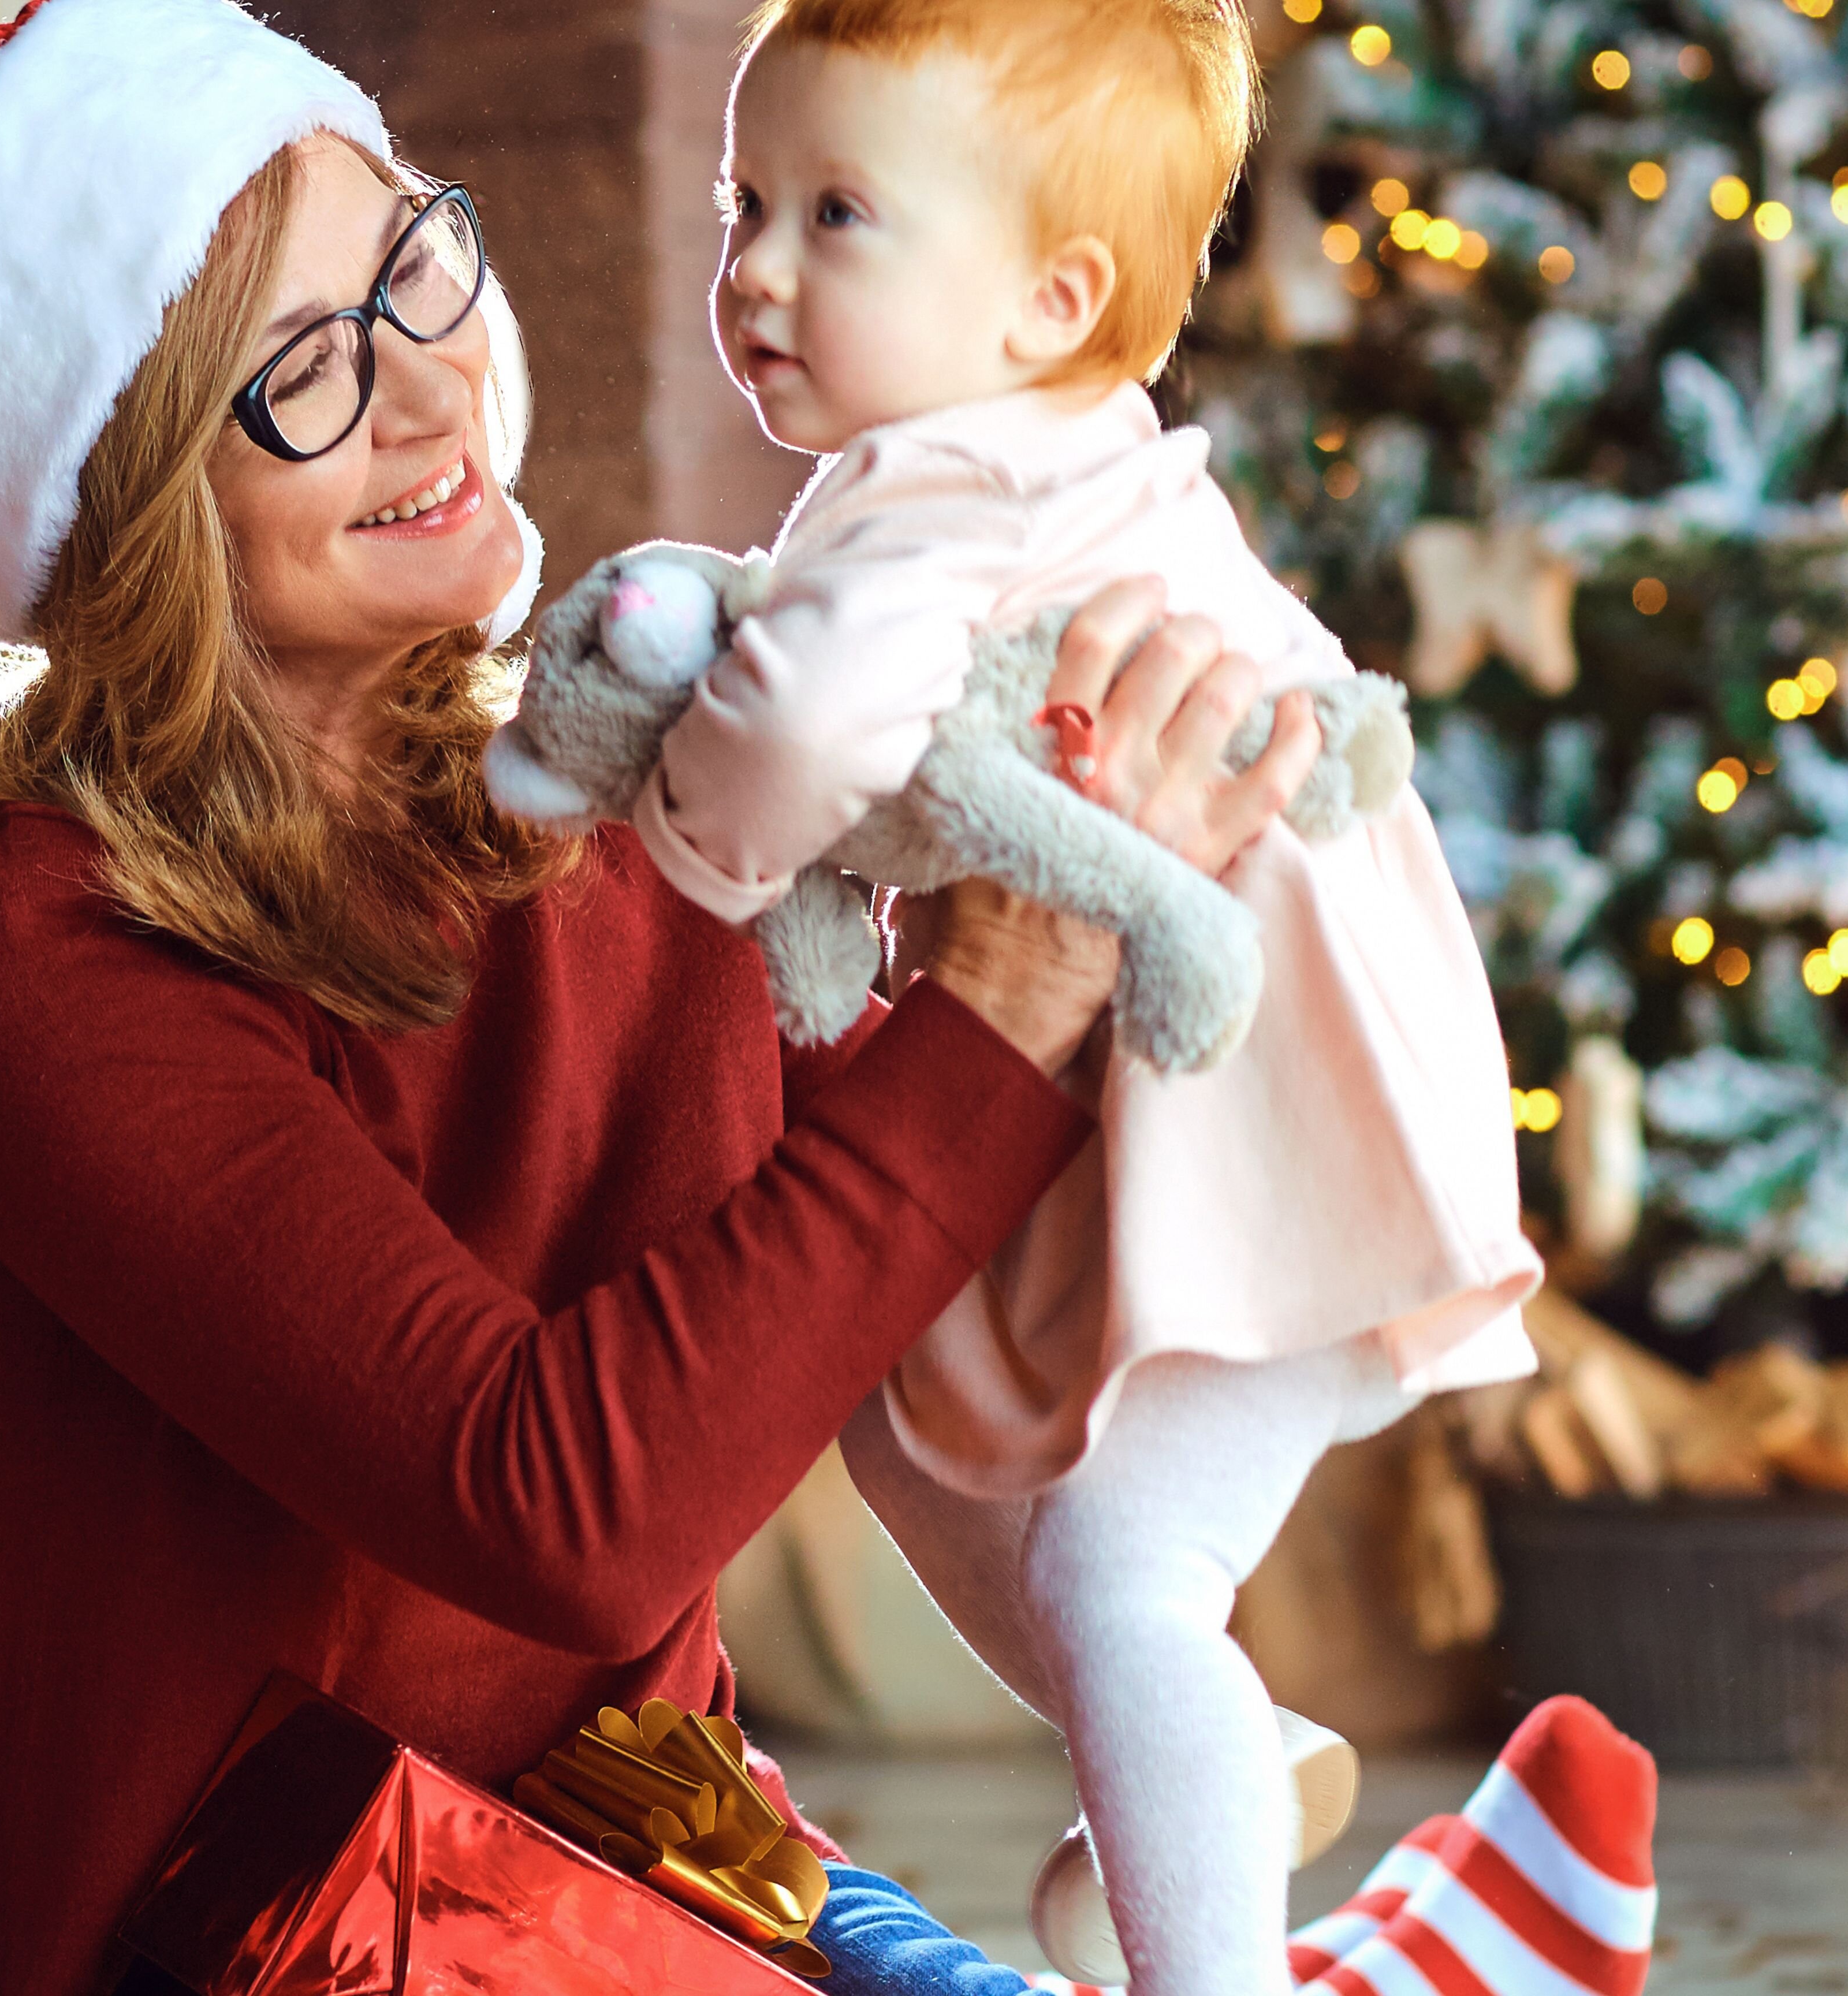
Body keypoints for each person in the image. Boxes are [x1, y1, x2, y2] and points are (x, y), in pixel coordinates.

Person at [0, 2, 1657, 1990]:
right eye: (294, 373)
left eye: (412, 268)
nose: (421, 388)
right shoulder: (19, 934)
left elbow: (838, 1275)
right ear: (117, 509)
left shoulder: (607, 774)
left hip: (637, 1867)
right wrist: (1039, 963)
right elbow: (556, 1505)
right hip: (226, 1947)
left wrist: (1116, 835)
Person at [609, 3, 1543, 1988]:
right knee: (897, 1417)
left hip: (1252, 1106)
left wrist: (692, 860)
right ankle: (1204, 1743)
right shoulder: (1042, 450)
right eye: (740, 201)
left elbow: (824, 715)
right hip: (1203, 1094)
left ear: (1050, 301)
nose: (756, 270)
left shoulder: (937, 493)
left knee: (1122, 1569)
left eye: (838, 214)